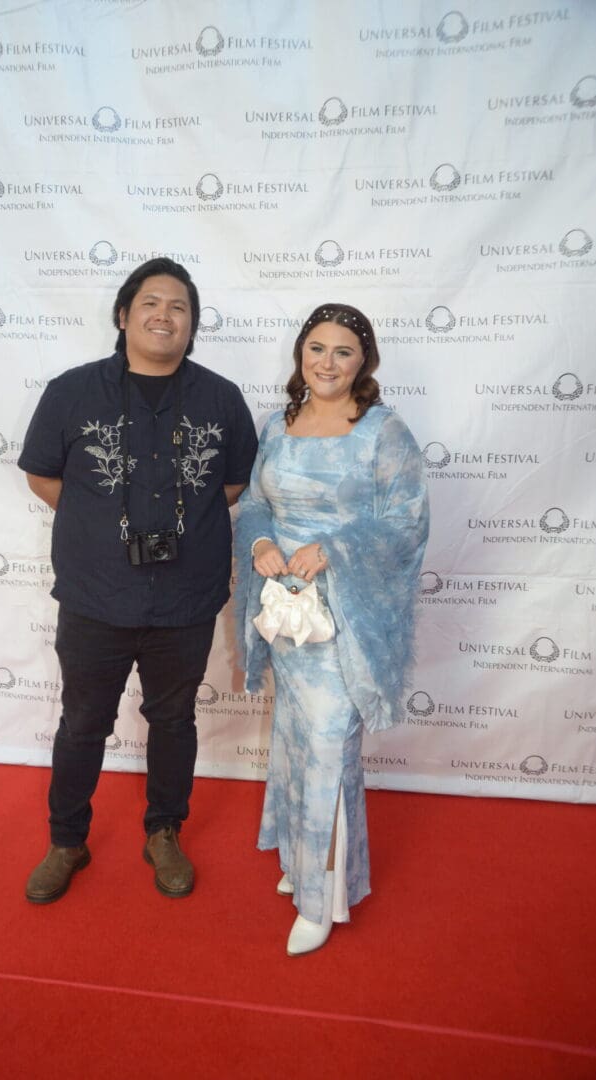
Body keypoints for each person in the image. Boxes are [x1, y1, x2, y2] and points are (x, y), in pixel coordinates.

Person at [19, 257, 257, 904]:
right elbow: (44, 476)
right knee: (82, 722)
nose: (163, 316)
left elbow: (230, 485)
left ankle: (163, 832)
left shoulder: (220, 398)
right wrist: (99, 524)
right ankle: (66, 840)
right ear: (123, 315)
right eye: (150, 303)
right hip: (95, 595)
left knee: (173, 718)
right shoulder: (71, 391)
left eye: (178, 307)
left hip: (185, 597)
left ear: (191, 325)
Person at [235, 303, 428, 955]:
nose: (326, 362)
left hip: (344, 618)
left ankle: (323, 897)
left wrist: (335, 549)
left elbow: (406, 524)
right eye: (315, 348)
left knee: (326, 745)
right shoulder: (279, 422)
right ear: (299, 354)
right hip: (285, 611)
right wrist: (262, 541)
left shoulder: (382, 430)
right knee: (292, 734)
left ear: (363, 361)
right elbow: (256, 502)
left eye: (342, 351)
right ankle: (297, 863)